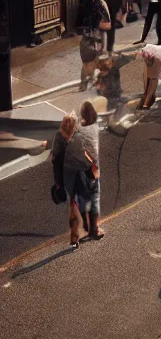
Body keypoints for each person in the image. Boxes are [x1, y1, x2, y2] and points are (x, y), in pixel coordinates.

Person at [51, 113, 99, 249]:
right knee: (80, 203)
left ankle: (77, 235)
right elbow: (86, 156)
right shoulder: (73, 137)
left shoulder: (60, 137)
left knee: (77, 203)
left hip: (71, 175)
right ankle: (81, 231)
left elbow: (54, 160)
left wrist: (58, 182)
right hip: (74, 175)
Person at [76, 101, 104, 240]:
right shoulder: (95, 127)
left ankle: (86, 226)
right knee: (95, 199)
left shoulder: (79, 130)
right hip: (93, 170)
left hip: (80, 170)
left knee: (82, 198)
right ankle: (95, 228)